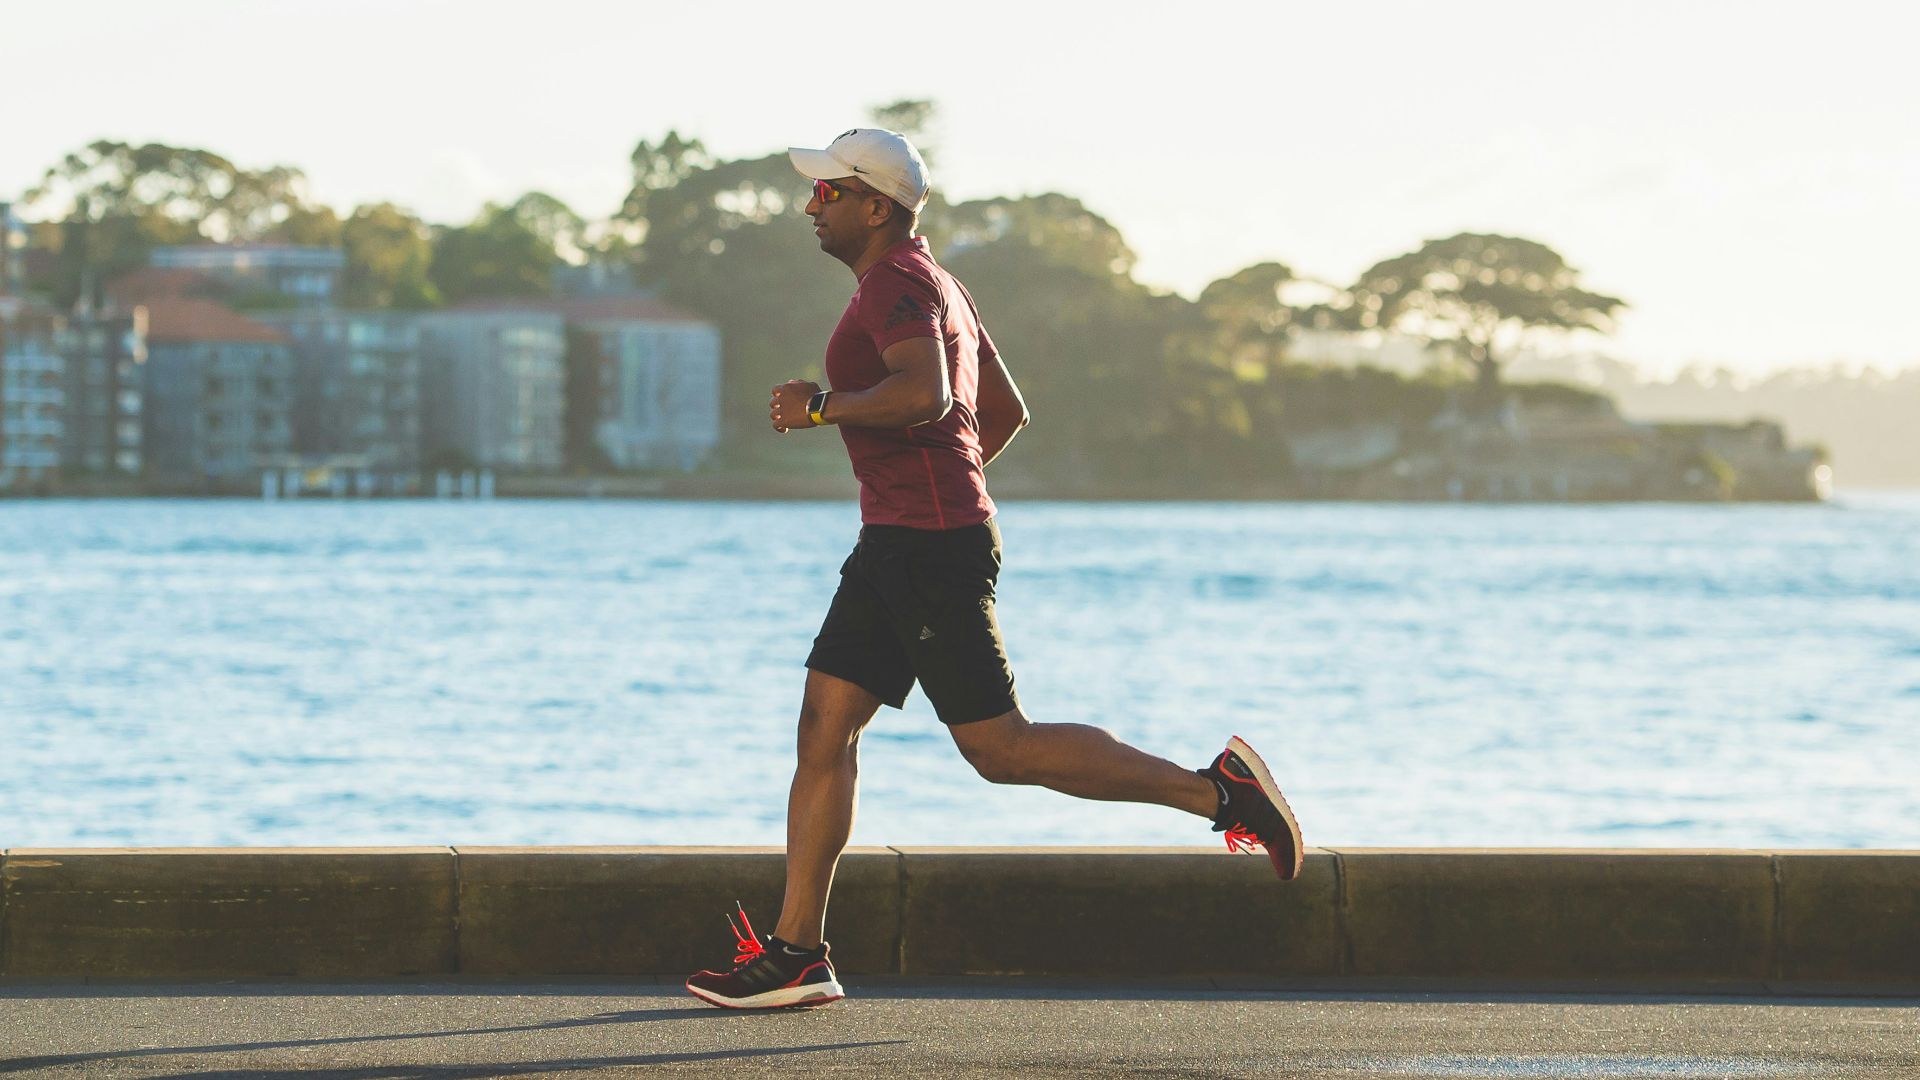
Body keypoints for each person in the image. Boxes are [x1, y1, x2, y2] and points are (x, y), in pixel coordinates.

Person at [684, 128, 1303, 1011]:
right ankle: (797, 953)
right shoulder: (939, 284)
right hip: (904, 540)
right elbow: (1002, 411)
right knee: (825, 726)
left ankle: (1220, 794)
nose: (811, 206)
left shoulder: (899, 284)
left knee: (999, 748)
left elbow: (931, 396)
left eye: (828, 192)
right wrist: (941, 484)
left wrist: (824, 408)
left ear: (876, 205)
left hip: (924, 547)